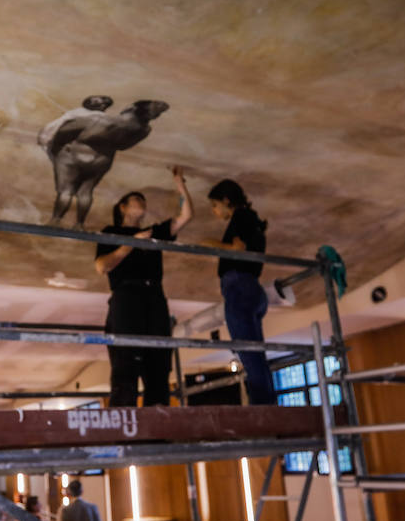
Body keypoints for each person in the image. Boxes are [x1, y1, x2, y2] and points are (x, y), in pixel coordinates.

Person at [94, 165, 194, 406]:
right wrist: (131, 243)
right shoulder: (111, 232)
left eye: (143, 200)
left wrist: (180, 183)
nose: (142, 201)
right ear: (123, 208)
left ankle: (157, 433)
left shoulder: (153, 232)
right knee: (125, 362)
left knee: (158, 364)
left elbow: (186, 216)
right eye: (135, 199)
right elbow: (102, 266)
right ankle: (123, 430)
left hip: (154, 297)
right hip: (126, 296)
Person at [206, 179, 274, 405]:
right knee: (255, 353)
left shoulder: (240, 217)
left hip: (239, 287)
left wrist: (210, 243)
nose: (215, 212)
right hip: (251, 288)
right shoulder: (251, 219)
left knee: (249, 353)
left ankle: (264, 409)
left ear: (227, 201)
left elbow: (238, 249)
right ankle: (267, 405)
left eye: (215, 206)